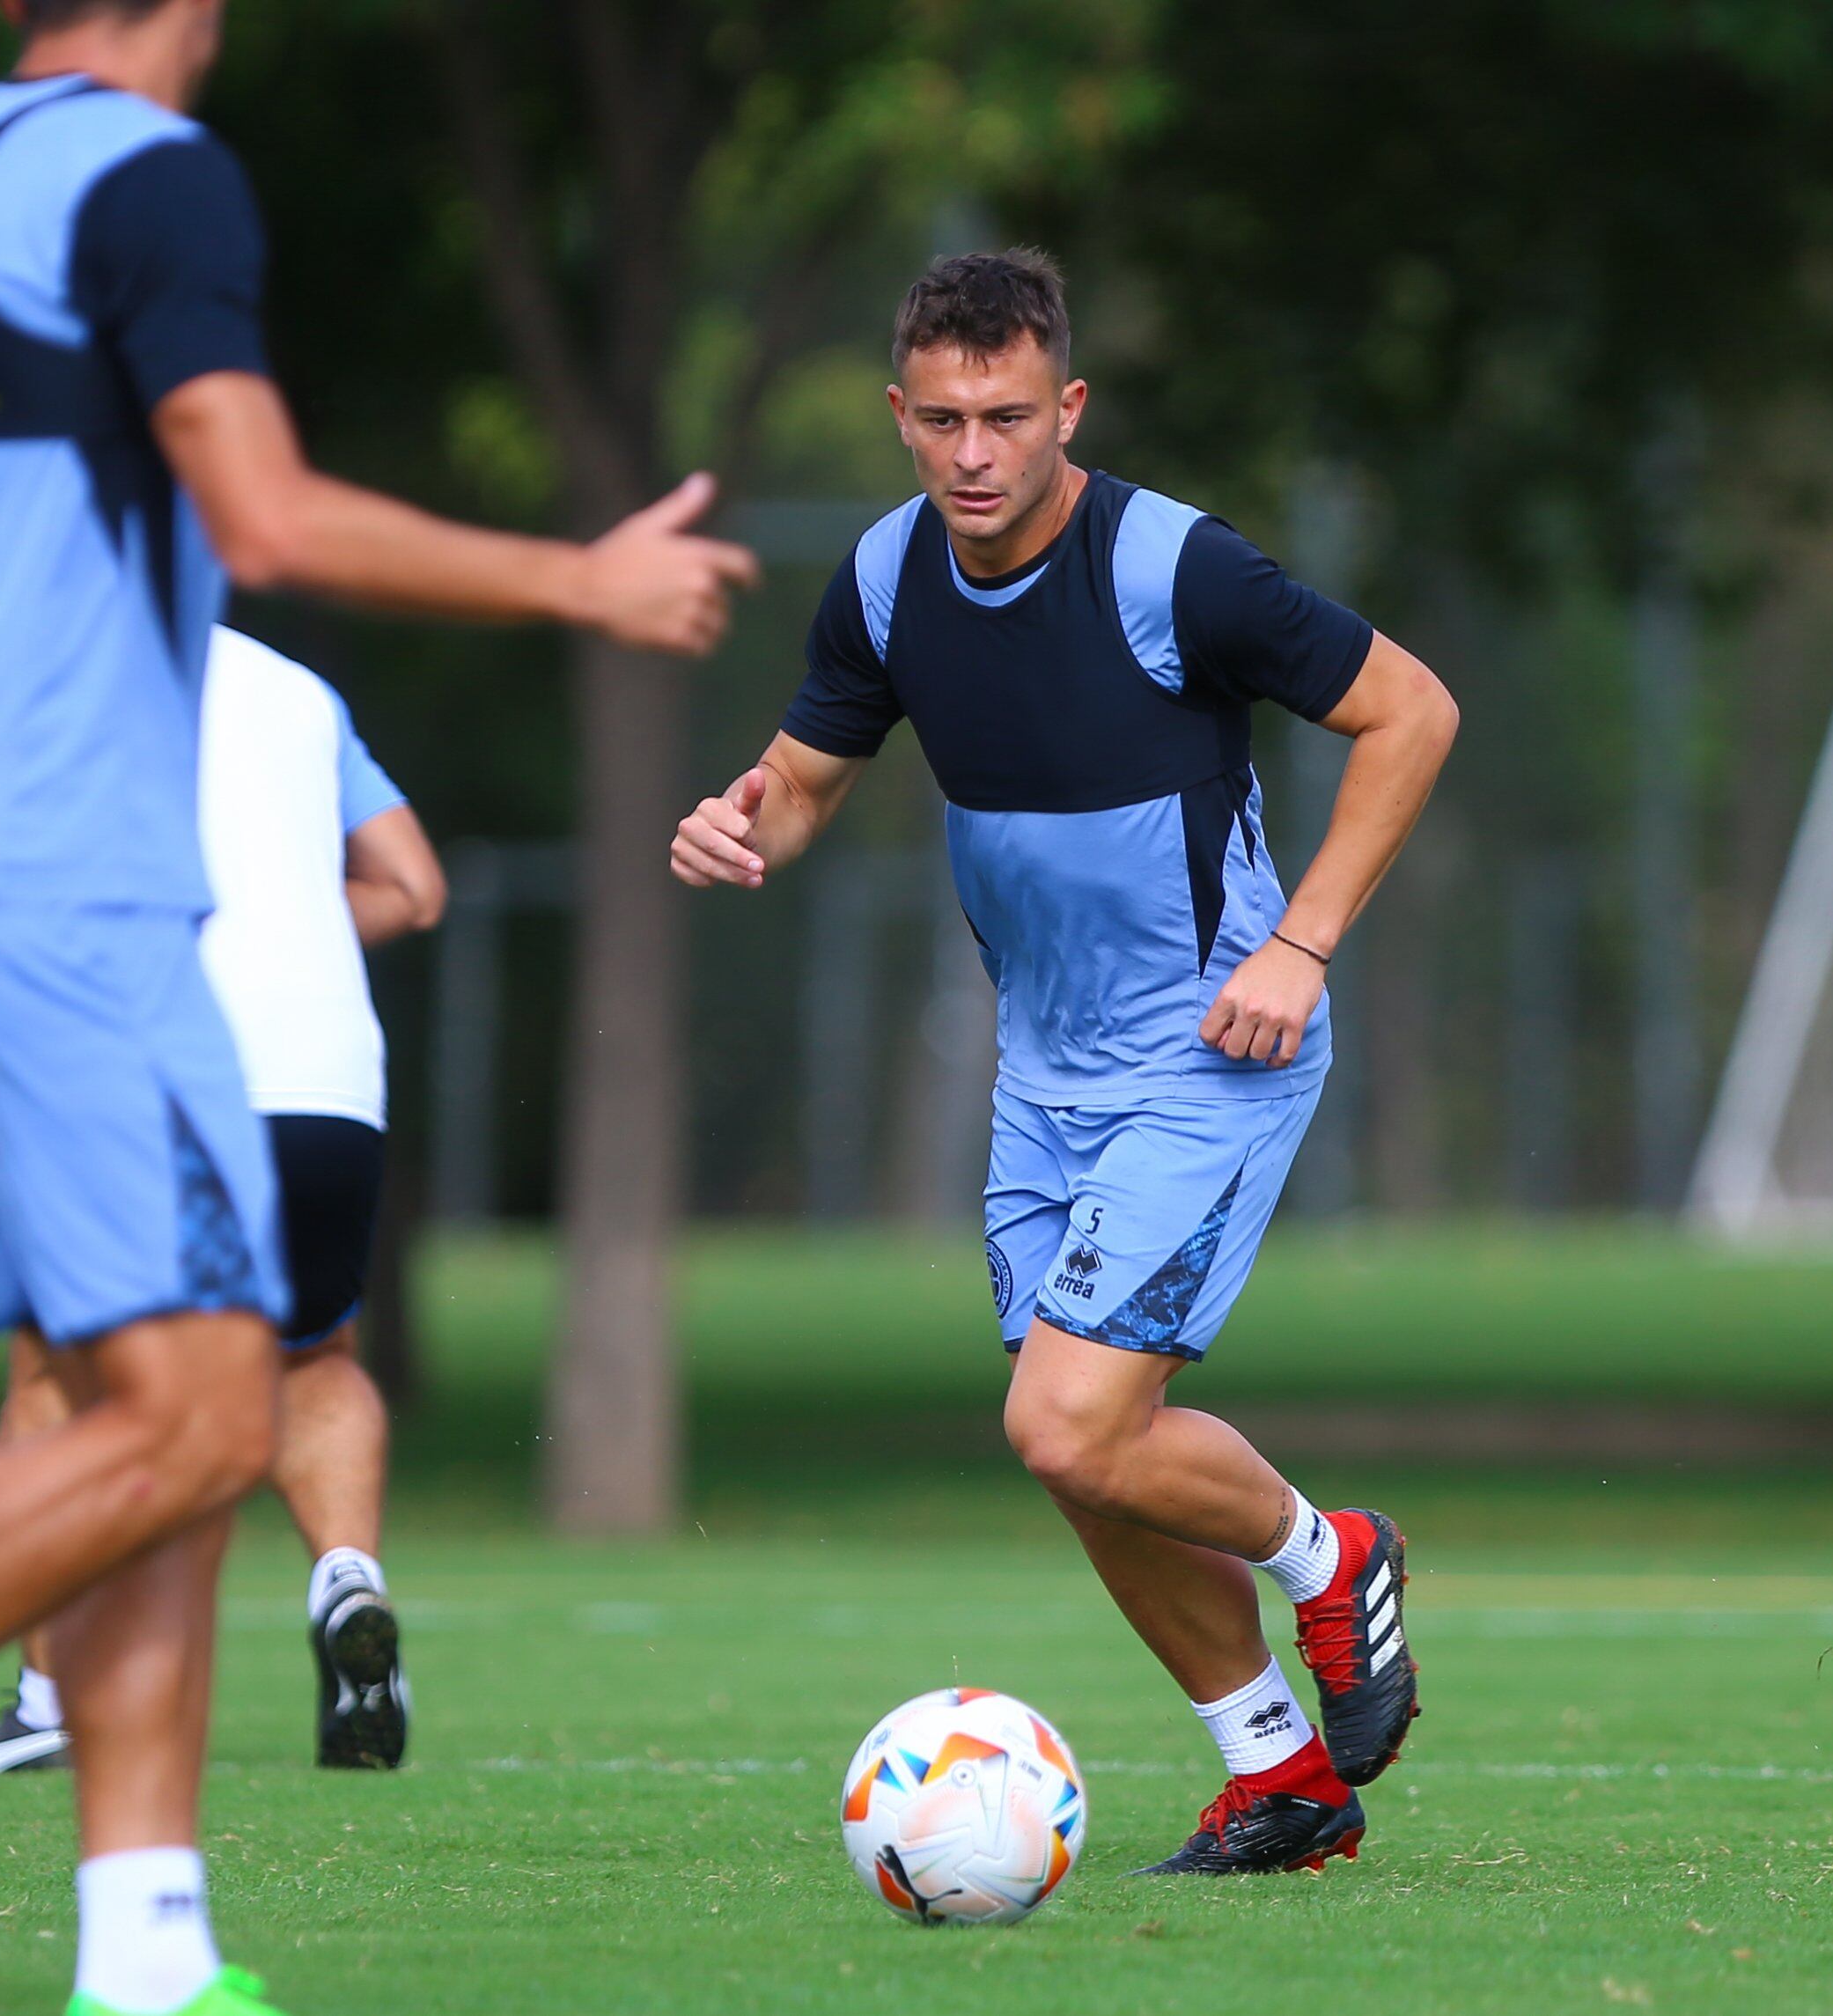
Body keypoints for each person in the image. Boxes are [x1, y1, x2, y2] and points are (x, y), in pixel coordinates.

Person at [0, 0, 757, 2010]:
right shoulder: (154, 179)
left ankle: (148, 1952)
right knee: (217, 1411)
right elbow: (270, 520)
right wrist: (578, 584)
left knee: (157, 1402)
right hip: (70, 896)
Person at [671, 250, 1459, 1875]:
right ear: (898, 415)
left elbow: (1415, 713)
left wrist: (1298, 944)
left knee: (1064, 1421)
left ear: (1065, 408)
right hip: (1044, 1076)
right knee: (1086, 1455)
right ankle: (1281, 1781)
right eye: (943, 419)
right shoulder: (885, 580)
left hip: (1209, 1052)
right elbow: (809, 773)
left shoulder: (1178, 567)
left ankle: (1333, 1553)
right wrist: (745, 815)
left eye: (1008, 417)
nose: (975, 452)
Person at [0, 625, 441, 1779]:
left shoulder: (21, 662)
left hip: (156, 1069)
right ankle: (346, 1577)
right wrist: (271, 921)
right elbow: (412, 885)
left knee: (57, 1364)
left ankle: (49, 1694)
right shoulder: (296, 686)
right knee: (312, 1357)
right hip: (326, 1080)